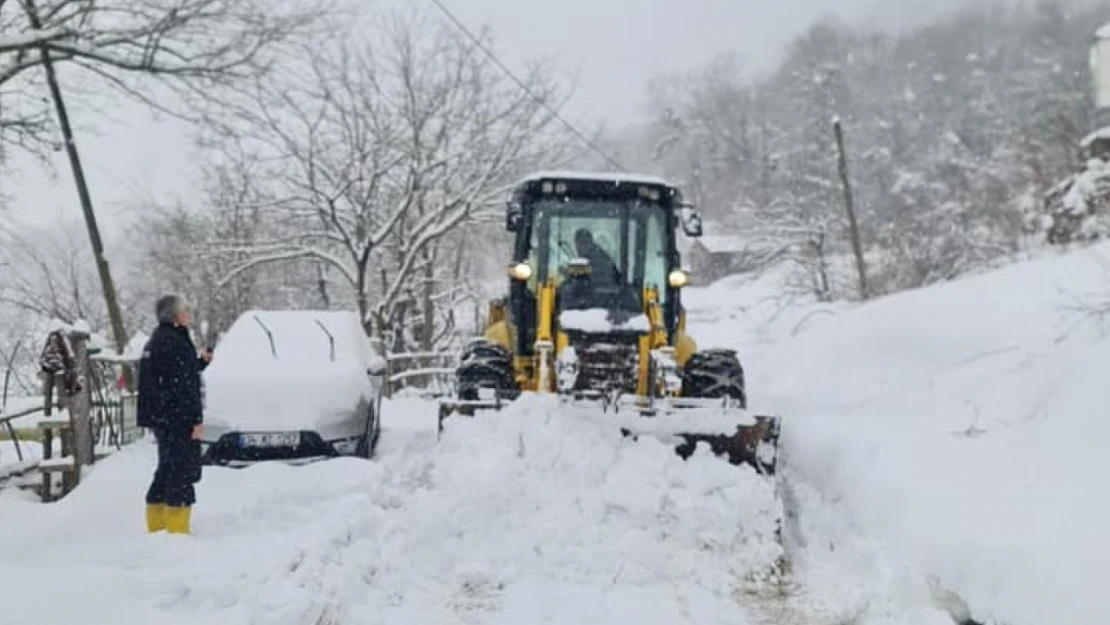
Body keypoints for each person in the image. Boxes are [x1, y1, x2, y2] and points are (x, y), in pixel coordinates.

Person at [136, 294, 213, 535]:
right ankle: (176, 532)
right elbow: (184, 386)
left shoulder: (158, 340)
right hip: (177, 418)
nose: (188, 315)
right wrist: (195, 421)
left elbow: (176, 375)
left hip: (162, 418)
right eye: (185, 311)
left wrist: (200, 362)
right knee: (181, 472)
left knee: (166, 469)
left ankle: (157, 527)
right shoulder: (176, 343)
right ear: (176, 316)